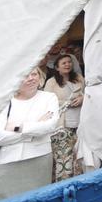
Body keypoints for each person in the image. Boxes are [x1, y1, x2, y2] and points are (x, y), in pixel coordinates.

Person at [0, 67, 59, 201]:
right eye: (25, 75)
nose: (31, 78)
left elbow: (49, 125)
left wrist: (15, 127)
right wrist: (34, 128)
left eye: (34, 74)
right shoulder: (4, 102)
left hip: (39, 160)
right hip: (5, 165)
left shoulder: (49, 98)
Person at [41, 54, 83, 182]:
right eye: (64, 63)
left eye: (69, 62)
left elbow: (88, 94)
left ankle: (80, 177)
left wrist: (82, 98)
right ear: (57, 67)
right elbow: (47, 101)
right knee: (66, 154)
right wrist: (66, 102)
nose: (67, 65)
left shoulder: (79, 78)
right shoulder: (51, 82)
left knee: (79, 151)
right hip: (62, 123)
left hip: (80, 118)